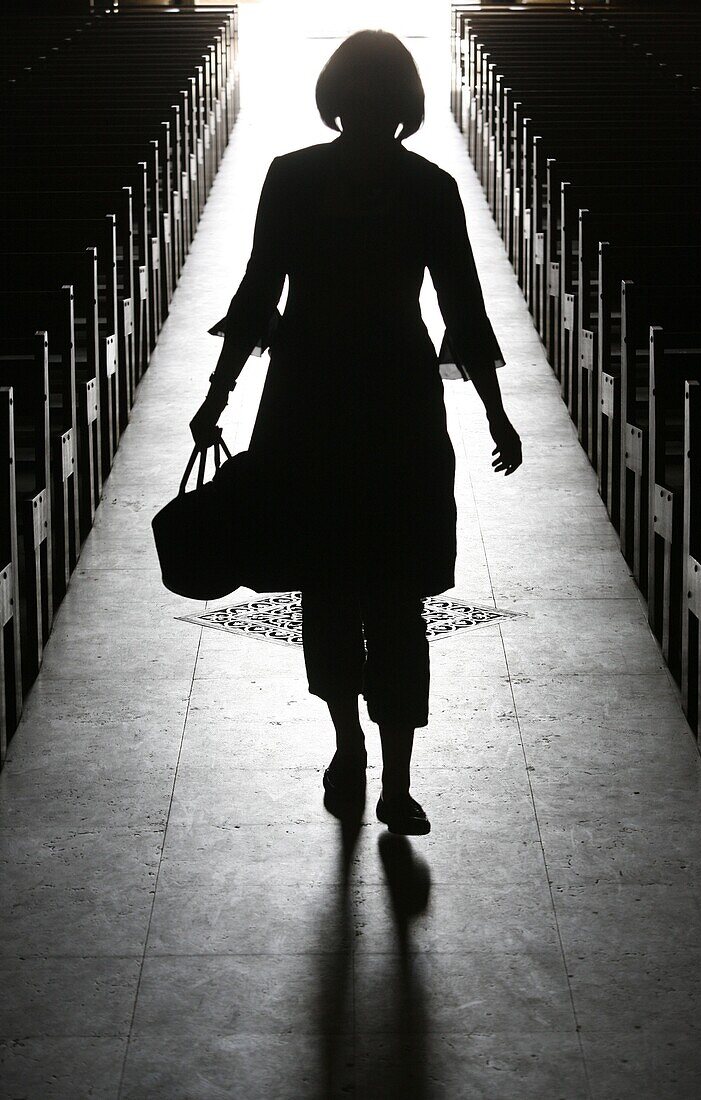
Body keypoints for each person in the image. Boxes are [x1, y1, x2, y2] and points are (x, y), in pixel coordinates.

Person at [190, 30, 522, 836]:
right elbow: (461, 312)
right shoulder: (427, 188)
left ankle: (353, 750)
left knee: (331, 589)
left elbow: (258, 295)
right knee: (392, 596)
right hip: (396, 402)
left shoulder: (295, 177)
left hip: (310, 397)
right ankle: (389, 775)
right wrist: (492, 409)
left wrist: (220, 392)